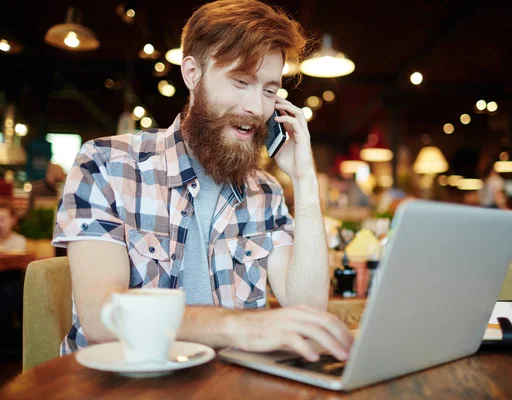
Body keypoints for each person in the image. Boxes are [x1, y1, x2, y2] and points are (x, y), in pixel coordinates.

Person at [52, 0, 352, 362]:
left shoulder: (266, 192)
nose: (257, 107)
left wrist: (304, 180)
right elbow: (102, 316)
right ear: (192, 73)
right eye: (241, 81)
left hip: (227, 384)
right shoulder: (106, 165)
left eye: (269, 90)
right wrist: (238, 326)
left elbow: (307, 310)